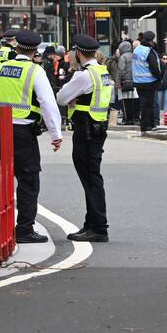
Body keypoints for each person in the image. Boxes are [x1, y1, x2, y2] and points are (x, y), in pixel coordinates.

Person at [0, 29, 63, 244]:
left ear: (16, 46)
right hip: (23, 133)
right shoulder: (35, 71)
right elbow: (48, 103)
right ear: (35, 50)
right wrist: (55, 134)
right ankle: (24, 229)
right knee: (28, 181)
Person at [55, 34, 113, 242]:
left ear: (78, 53)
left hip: (86, 130)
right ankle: (91, 224)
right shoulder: (102, 71)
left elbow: (60, 97)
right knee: (91, 177)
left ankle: (98, 227)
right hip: (97, 129)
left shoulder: (84, 76)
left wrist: (71, 99)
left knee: (91, 179)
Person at [132, 30, 161, 133]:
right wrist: (159, 77)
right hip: (149, 82)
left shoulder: (136, 49)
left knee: (144, 104)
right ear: (151, 41)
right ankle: (146, 126)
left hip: (138, 81)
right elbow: (154, 67)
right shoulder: (148, 51)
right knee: (148, 104)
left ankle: (149, 124)